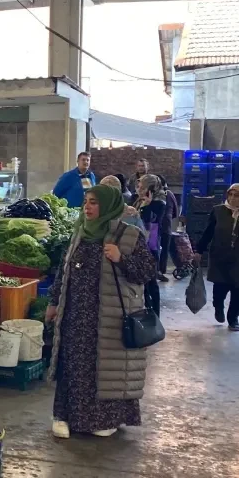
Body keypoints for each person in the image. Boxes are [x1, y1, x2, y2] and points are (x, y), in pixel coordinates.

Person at [45, 185, 156, 439]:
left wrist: (121, 259)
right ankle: (63, 415)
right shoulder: (79, 234)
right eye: (86, 202)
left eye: (93, 202)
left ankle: (105, 419)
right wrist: (53, 303)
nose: (87, 207)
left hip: (109, 316)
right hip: (75, 314)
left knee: (104, 369)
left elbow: (147, 271)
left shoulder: (128, 235)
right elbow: (64, 271)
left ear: (107, 206)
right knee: (73, 365)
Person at [194, 182, 239, 332]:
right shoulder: (218, 211)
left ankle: (234, 318)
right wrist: (199, 250)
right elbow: (208, 232)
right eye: (230, 194)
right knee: (220, 289)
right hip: (221, 257)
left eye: (236, 195)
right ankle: (218, 308)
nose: (232, 198)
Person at [133, 174, 167, 316]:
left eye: (142, 187)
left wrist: (147, 206)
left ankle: (155, 314)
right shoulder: (137, 200)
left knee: (151, 282)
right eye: (138, 187)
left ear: (150, 189)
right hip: (138, 244)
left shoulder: (159, 203)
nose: (139, 190)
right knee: (142, 284)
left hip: (151, 247)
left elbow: (152, 221)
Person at [156, 175, 179, 282]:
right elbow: (175, 211)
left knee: (157, 249)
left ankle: (157, 271)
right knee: (164, 249)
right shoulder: (170, 194)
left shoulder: (155, 195)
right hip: (166, 225)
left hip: (156, 226)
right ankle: (161, 271)